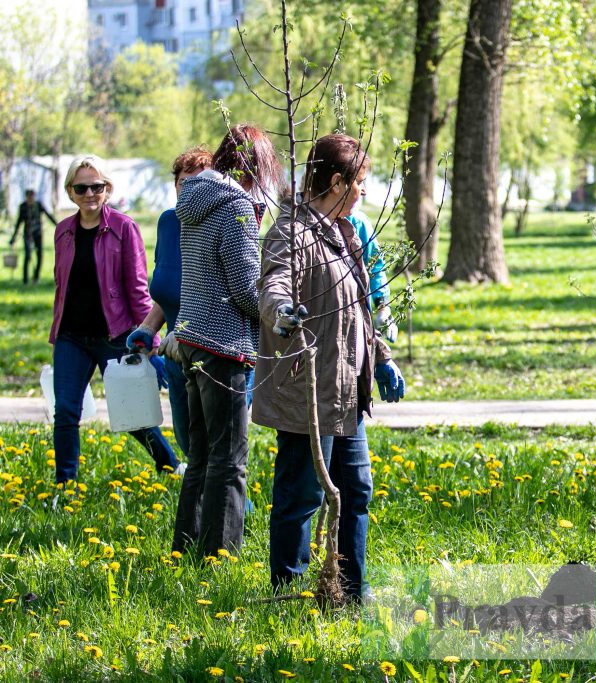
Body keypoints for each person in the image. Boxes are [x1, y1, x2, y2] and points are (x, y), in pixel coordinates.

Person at [253, 133, 405, 600]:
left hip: (346, 394)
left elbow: (357, 309)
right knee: (302, 497)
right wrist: (282, 314)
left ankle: (349, 591)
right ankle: (288, 593)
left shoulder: (344, 232)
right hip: (307, 392)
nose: (363, 193)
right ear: (337, 182)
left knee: (355, 491)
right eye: (359, 183)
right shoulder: (292, 231)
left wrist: (381, 357)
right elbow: (273, 283)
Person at [169, 125, 281, 557]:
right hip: (224, 345)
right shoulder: (235, 206)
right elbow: (246, 290)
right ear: (255, 167)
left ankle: (186, 547)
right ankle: (220, 555)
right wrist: (281, 309)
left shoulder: (194, 200)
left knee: (200, 455)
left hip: (192, 339)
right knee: (230, 461)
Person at [49, 155, 180, 485]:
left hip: (115, 335)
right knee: (65, 410)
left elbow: (137, 287)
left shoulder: (124, 228)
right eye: (81, 188)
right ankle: (65, 485)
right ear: (70, 192)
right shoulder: (63, 231)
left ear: (107, 189)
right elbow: (60, 285)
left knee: (132, 412)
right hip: (71, 338)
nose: (90, 193)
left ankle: (168, 464)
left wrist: (148, 338)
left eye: (97, 186)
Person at [126, 147, 214, 458]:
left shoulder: (223, 225)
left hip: (215, 356)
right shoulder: (168, 223)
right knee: (190, 445)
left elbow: (230, 296)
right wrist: (148, 328)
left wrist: (189, 332)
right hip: (177, 356)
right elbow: (171, 290)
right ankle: (201, 509)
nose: (190, 191)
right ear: (174, 186)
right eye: (183, 183)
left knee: (219, 453)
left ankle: (235, 509)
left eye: (199, 183)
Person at [348, 206, 398, 343]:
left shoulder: (357, 221)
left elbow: (375, 265)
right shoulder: (300, 220)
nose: (363, 191)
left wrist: (383, 308)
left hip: (356, 319)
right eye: (358, 183)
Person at [10, 189, 57, 285]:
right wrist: (13, 238)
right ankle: (25, 280)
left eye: (32, 197)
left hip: (38, 234)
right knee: (27, 256)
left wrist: (58, 225)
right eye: (29, 197)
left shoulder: (38, 205)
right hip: (27, 234)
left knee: (39, 255)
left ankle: (36, 277)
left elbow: (48, 215)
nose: (30, 199)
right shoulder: (22, 207)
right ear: (26, 197)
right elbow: (19, 222)